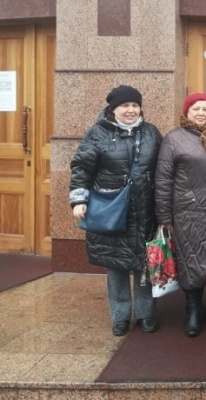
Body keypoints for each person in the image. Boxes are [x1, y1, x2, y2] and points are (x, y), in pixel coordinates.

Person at [69, 85, 163, 337]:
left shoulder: (151, 132)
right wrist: (79, 199)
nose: (131, 110)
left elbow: (164, 169)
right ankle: (120, 316)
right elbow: (81, 167)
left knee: (145, 264)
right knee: (116, 264)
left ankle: (146, 313)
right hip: (112, 210)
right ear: (113, 109)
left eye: (135, 105)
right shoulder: (97, 133)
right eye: (125, 106)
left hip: (146, 210)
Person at [154, 93, 206, 337]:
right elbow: (163, 180)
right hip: (188, 211)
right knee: (191, 260)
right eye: (196, 108)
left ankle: (199, 306)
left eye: (205, 109)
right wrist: (164, 216)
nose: (201, 113)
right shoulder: (174, 139)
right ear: (187, 112)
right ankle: (192, 310)